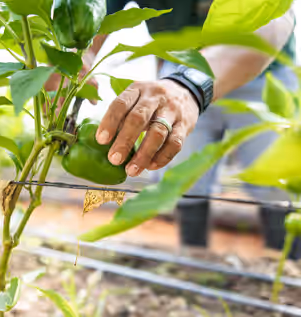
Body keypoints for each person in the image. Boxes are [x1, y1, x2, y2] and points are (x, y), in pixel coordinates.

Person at [49, 1, 298, 252]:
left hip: (263, 75)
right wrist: (78, 55)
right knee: (185, 181)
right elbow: (92, 11)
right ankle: (195, 261)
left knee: (276, 185)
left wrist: (190, 85)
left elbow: (274, 14)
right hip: (177, 75)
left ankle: (289, 267)